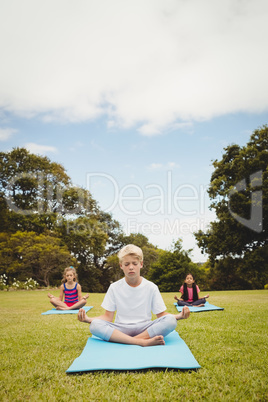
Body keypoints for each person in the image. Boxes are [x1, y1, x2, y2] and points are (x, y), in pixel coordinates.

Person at [78, 244, 190, 347]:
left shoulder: (151, 287)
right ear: (121, 266)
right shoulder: (114, 287)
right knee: (94, 325)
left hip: (145, 328)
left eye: (134, 263)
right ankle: (141, 342)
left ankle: (126, 341)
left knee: (171, 321)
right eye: (126, 264)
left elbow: (161, 316)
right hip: (121, 328)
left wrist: (179, 316)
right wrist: (88, 319)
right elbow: (107, 317)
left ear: (141, 264)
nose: (131, 267)